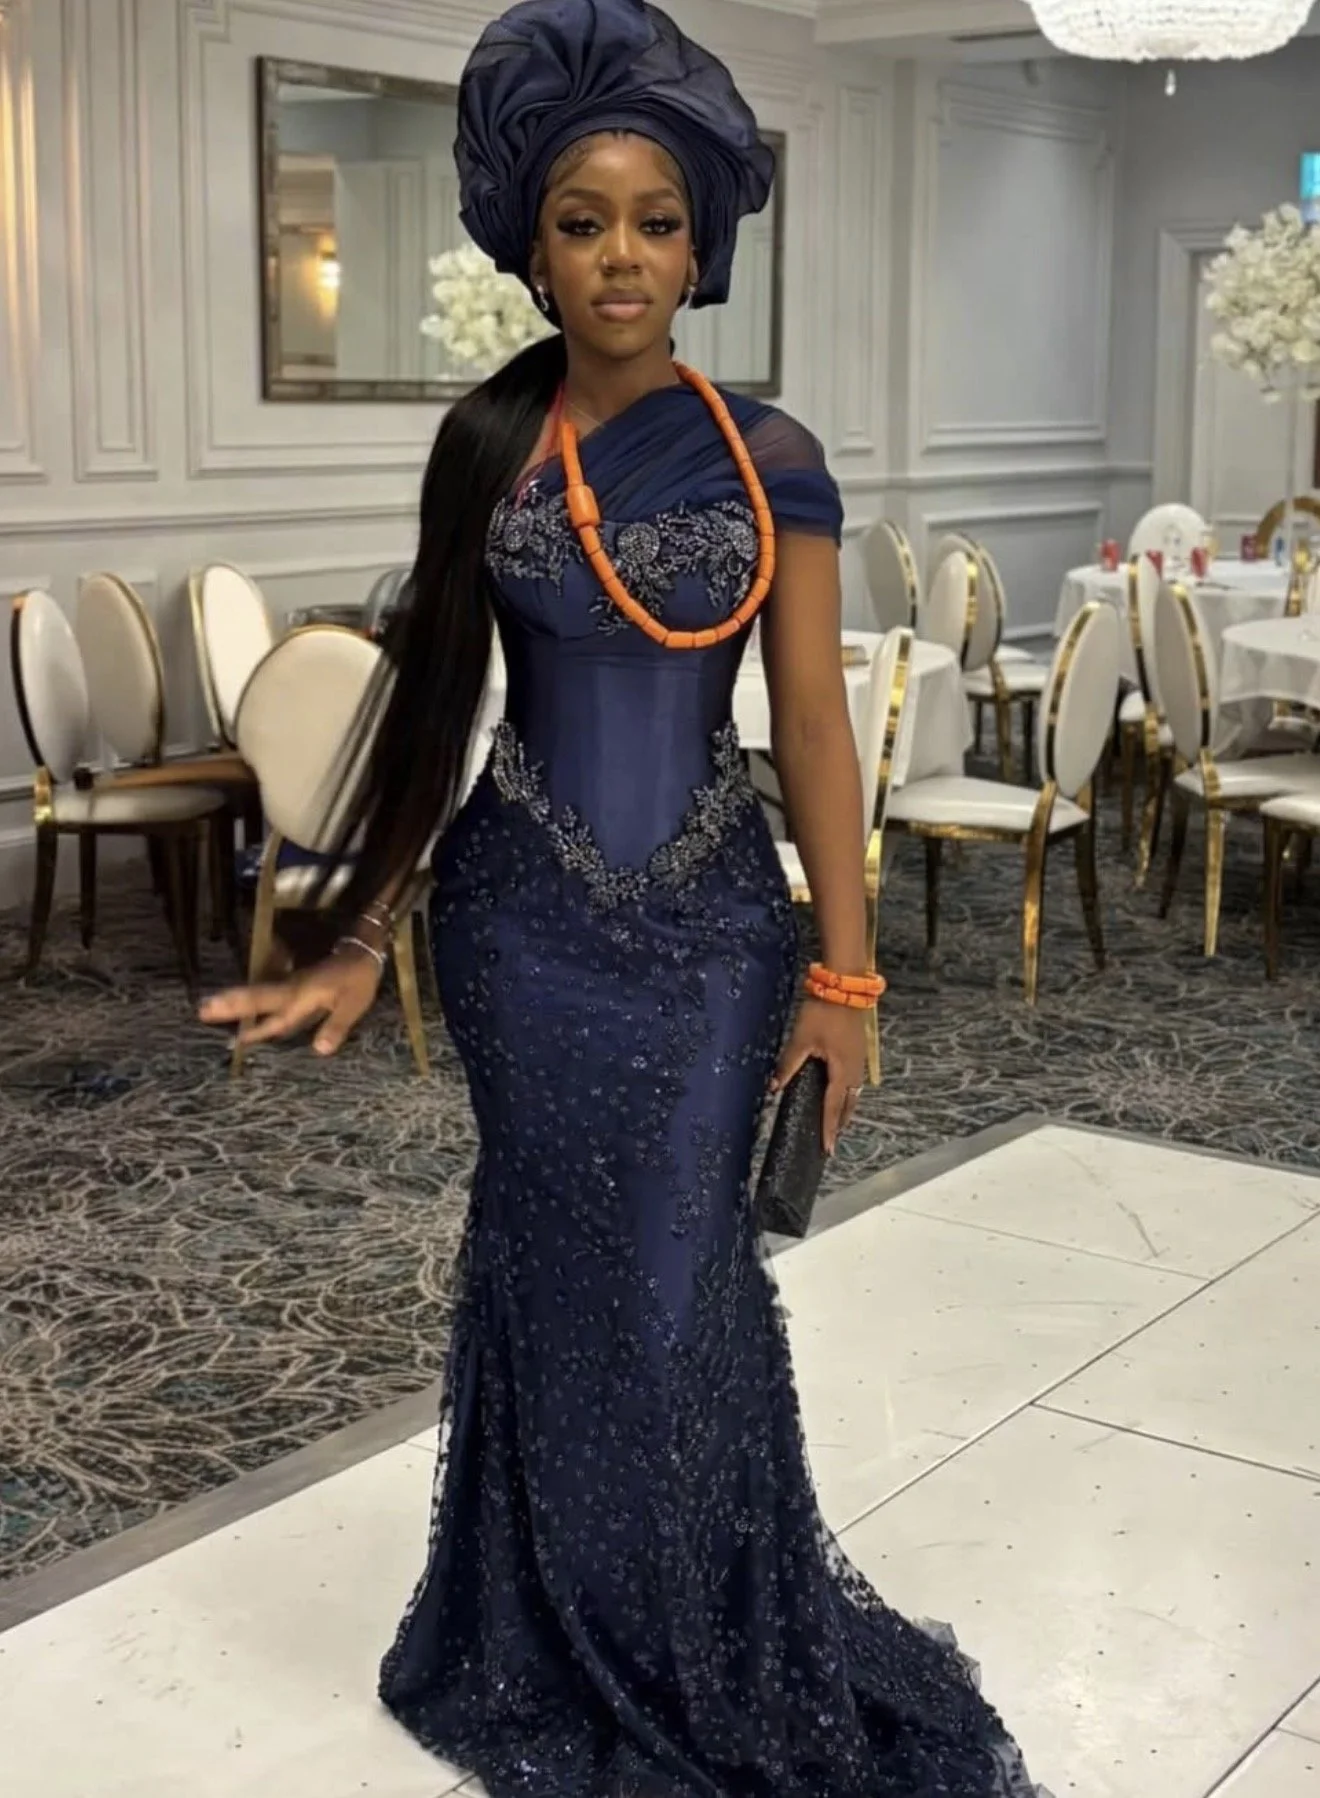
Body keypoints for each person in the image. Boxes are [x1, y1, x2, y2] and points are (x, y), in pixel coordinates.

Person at [200, 2, 1049, 1791]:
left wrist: (845, 976)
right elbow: (435, 706)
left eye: (655, 221)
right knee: (556, 1265)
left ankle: (699, 1631)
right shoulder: (486, 441)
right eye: (583, 222)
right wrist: (360, 932)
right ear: (533, 245)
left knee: (682, 1281)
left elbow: (813, 720)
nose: (621, 256)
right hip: (519, 927)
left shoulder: (769, 451)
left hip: (717, 930)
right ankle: (547, 1621)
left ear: (702, 241)